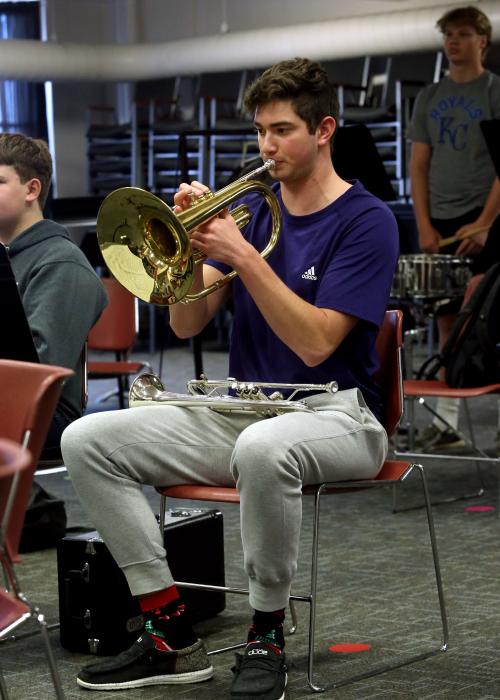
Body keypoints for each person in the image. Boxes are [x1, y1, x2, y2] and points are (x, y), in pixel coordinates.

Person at [61, 57, 399, 699]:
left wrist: (243, 257)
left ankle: (266, 630)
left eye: (282, 131)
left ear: (324, 129)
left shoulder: (366, 220)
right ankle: (168, 629)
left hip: (339, 415)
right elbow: (188, 326)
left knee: (263, 449)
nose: (267, 149)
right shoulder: (256, 214)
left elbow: (315, 342)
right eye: (260, 133)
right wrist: (188, 253)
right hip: (243, 411)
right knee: (87, 438)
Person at [408, 5, 500, 451]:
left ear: (482, 40)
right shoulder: (429, 97)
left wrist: (485, 222)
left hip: (487, 219)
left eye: (463, 34)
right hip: (441, 220)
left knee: (492, 319)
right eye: (448, 35)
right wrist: (424, 223)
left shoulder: (495, 91)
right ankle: (448, 425)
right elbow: (419, 165)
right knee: (447, 320)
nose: (454, 42)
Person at [0, 132, 107, 459]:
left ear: (32, 189)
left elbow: (39, 372)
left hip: (44, 414)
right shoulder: (8, 256)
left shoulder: (62, 262)